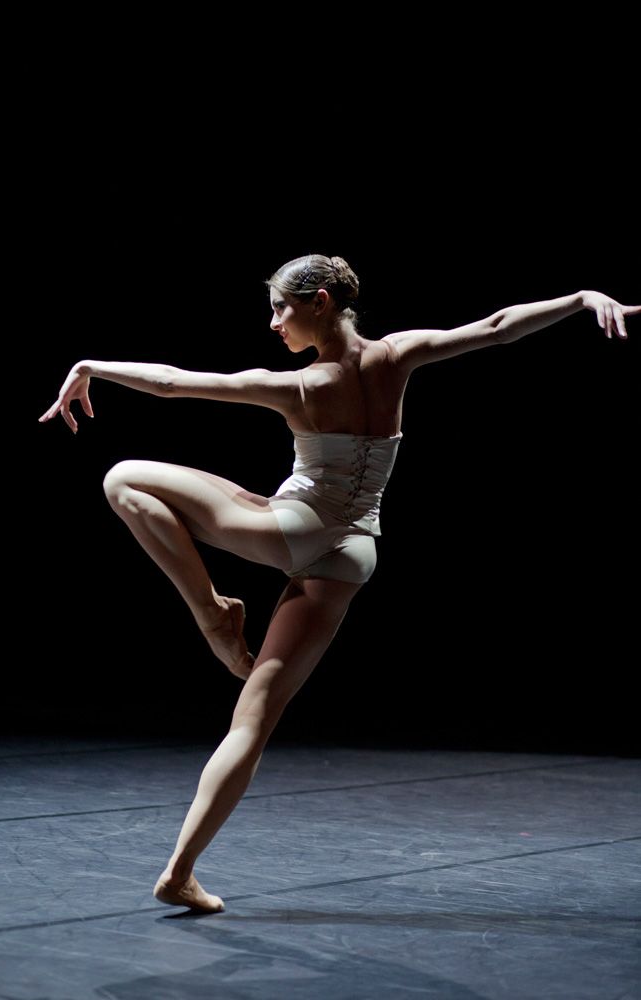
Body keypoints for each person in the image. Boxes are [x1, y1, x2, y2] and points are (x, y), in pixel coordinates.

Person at [38, 253, 639, 913]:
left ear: (318, 301)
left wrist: (92, 366)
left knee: (123, 478)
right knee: (255, 720)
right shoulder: (399, 354)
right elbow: (496, 327)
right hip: (352, 554)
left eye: (280, 308)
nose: (273, 323)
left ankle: (211, 614)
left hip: (289, 528)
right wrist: (580, 296)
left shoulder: (302, 386)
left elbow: (176, 384)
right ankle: (178, 873)